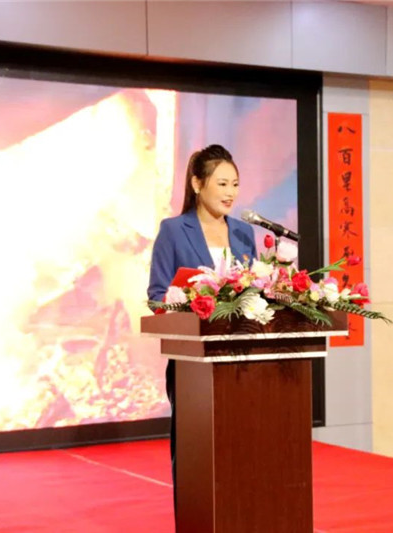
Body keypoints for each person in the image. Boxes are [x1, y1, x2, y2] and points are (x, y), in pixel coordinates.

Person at [146, 144, 257, 511]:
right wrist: (188, 300)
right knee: (197, 453)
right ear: (197, 184)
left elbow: (254, 292)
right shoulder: (174, 230)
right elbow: (157, 296)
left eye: (235, 184)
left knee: (241, 449)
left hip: (241, 361)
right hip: (193, 364)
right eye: (222, 184)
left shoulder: (243, 233)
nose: (230, 193)